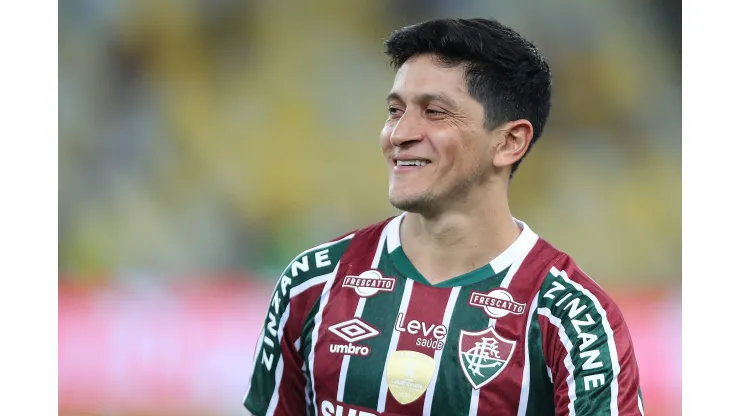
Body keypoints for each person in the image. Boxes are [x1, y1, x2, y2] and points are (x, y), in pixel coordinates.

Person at [243, 17, 644, 416]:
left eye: (434, 112)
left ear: (509, 142)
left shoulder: (573, 319)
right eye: (395, 110)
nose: (399, 134)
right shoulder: (313, 282)